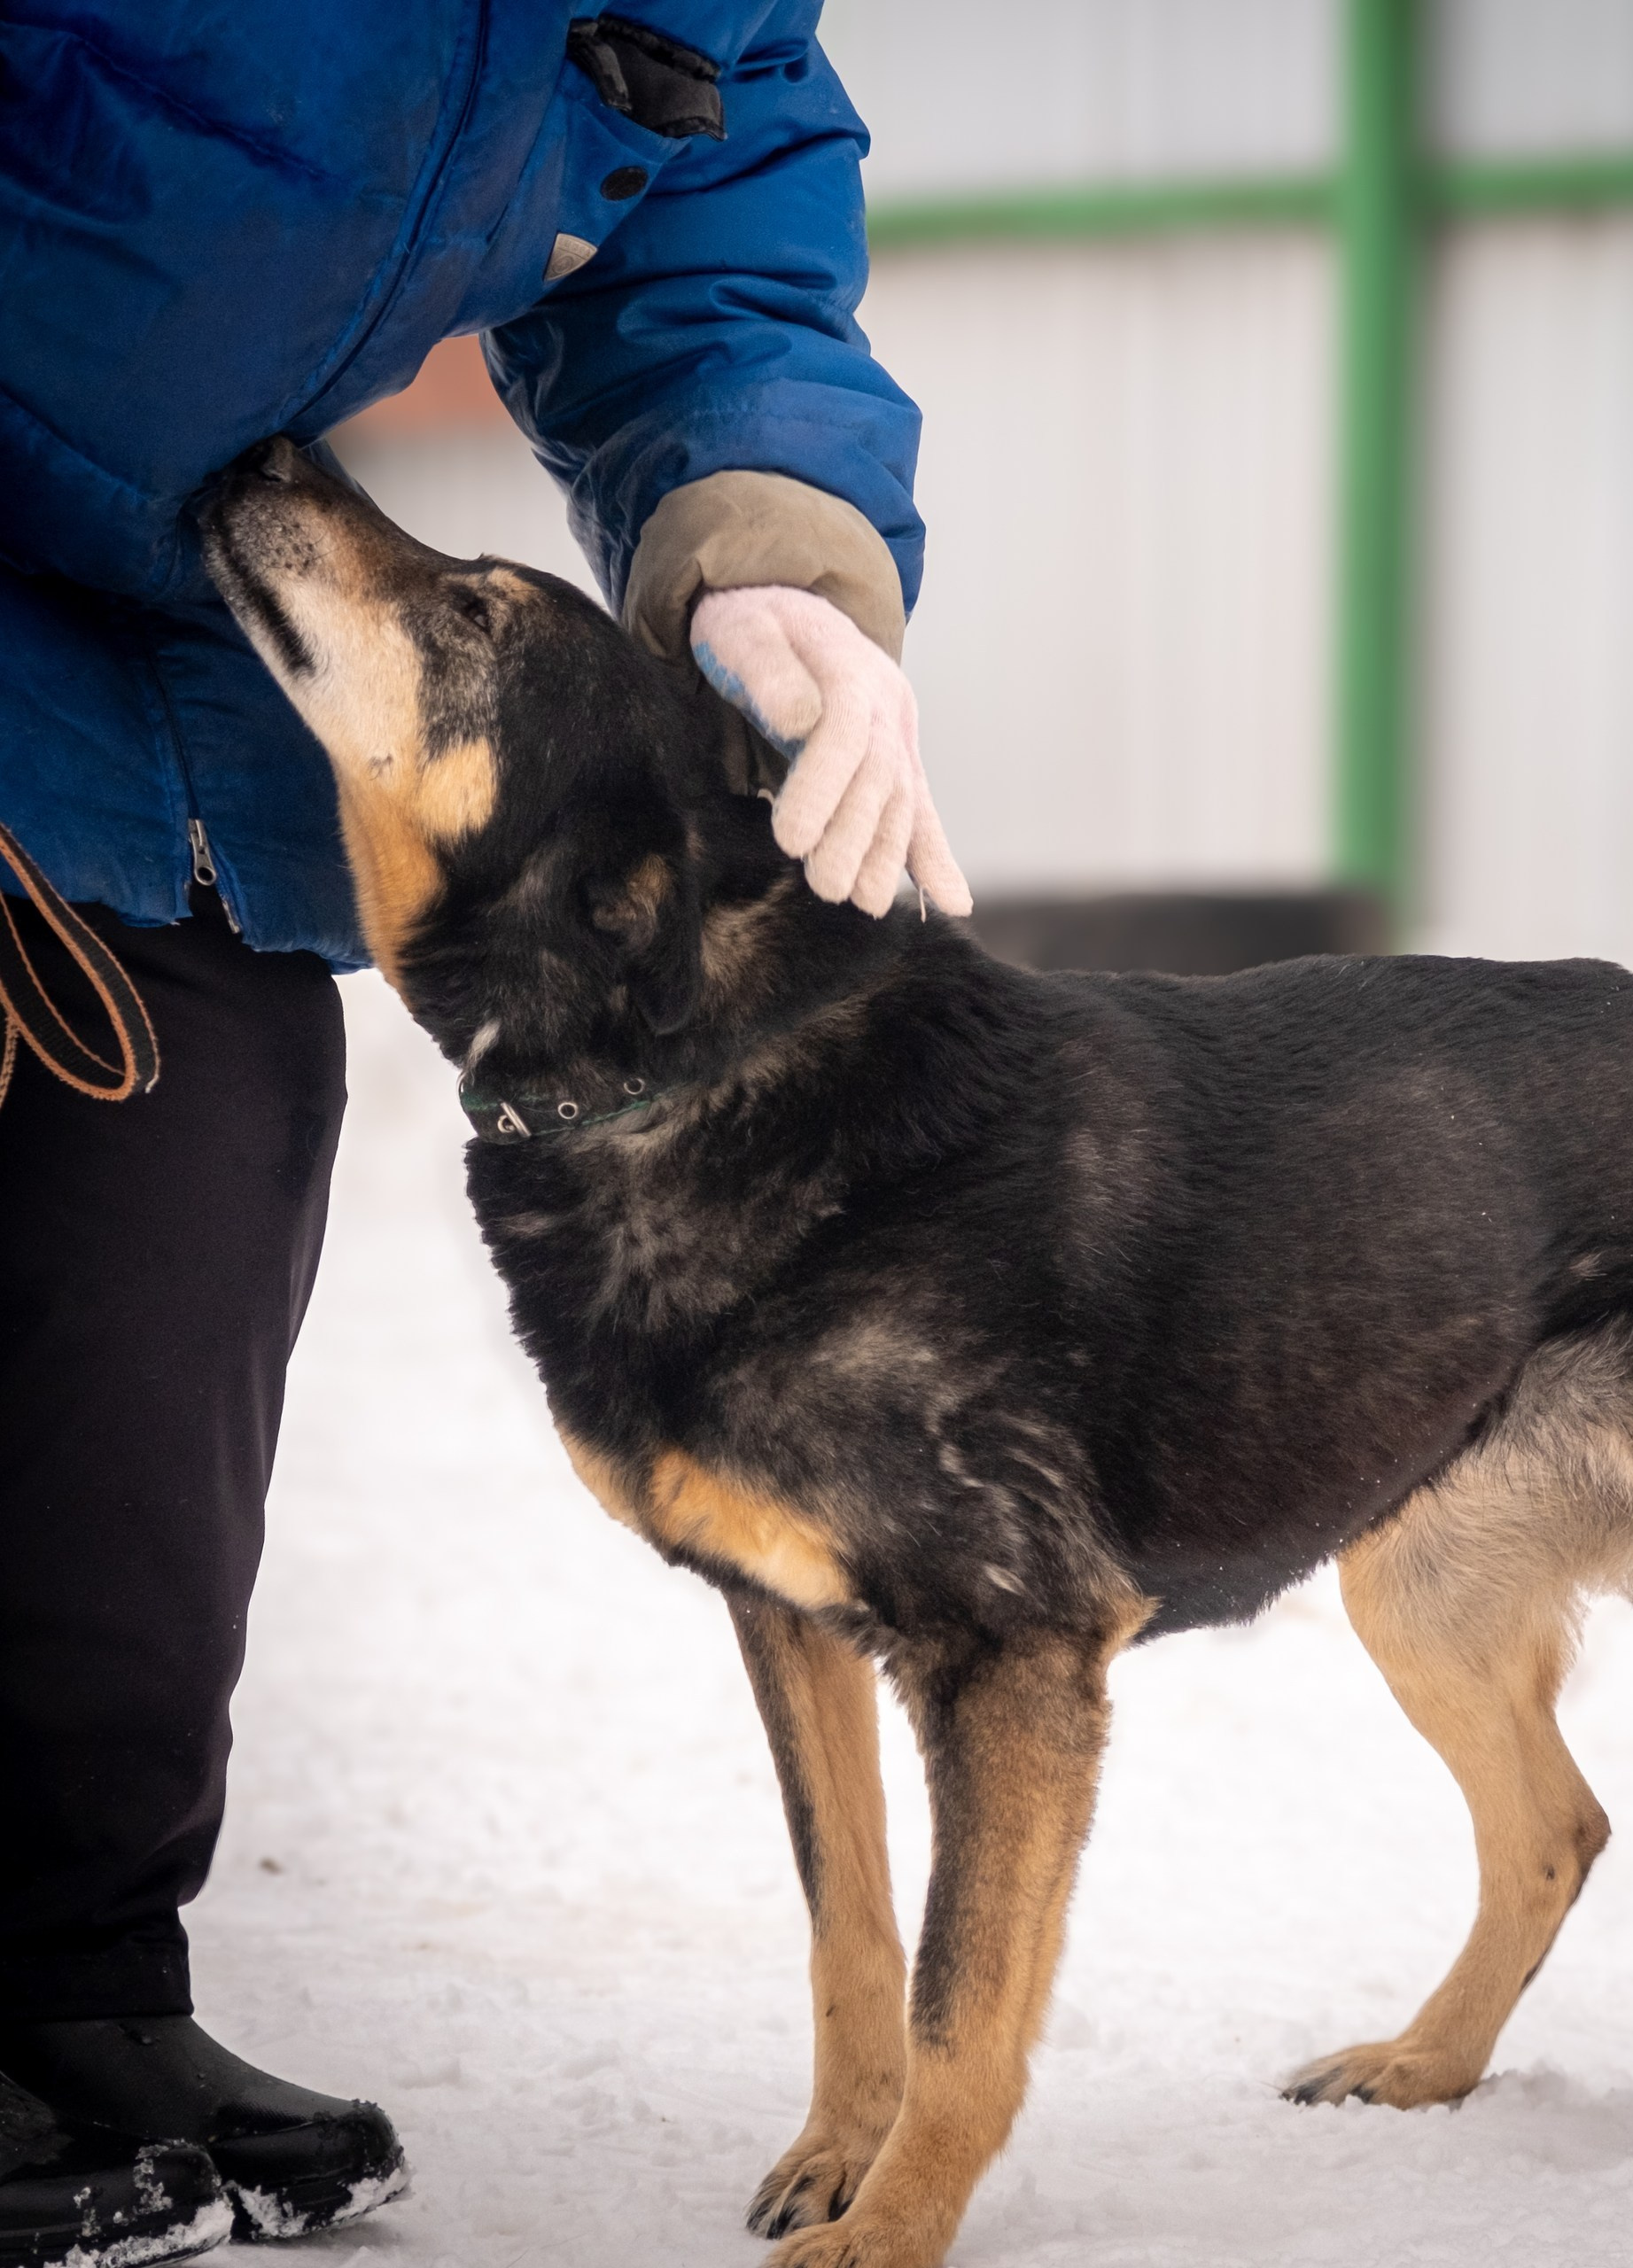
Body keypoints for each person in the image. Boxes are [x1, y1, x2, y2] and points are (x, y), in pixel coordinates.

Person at [0, 8, 964, 2263]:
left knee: (178, 1218)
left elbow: (715, 211)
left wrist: (767, 558)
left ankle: (66, 1981)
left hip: (173, 620)